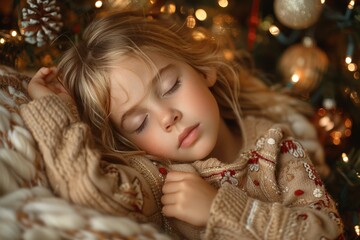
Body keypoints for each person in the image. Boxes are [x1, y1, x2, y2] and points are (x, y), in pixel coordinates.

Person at [21, 10, 343, 239]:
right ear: (129, 140)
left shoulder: (276, 149)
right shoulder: (159, 181)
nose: (166, 117)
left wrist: (224, 209)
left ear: (203, 70)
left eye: (171, 86)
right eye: (139, 121)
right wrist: (55, 113)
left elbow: (328, 233)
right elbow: (91, 197)